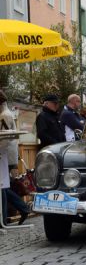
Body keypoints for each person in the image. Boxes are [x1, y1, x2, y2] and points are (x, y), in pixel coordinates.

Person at [0, 90, 30, 225]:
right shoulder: (5, 114)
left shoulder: (4, 115)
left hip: (4, 154)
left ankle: (3, 219)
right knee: (4, 187)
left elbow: (4, 138)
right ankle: (22, 209)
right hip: (6, 154)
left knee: (2, 187)